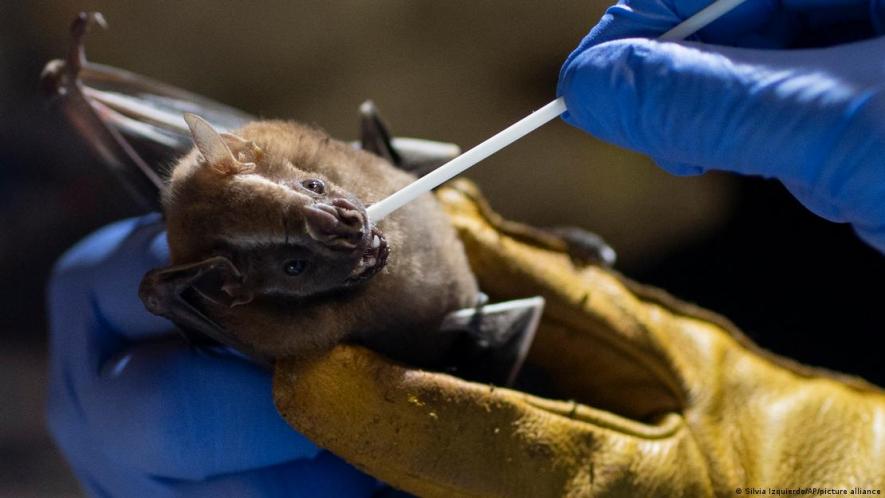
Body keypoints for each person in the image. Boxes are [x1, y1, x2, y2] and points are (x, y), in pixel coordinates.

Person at [47, 1, 885, 496]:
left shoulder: (322, 162)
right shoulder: (266, 303)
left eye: (314, 200)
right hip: (440, 336)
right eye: (303, 264)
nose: (345, 240)